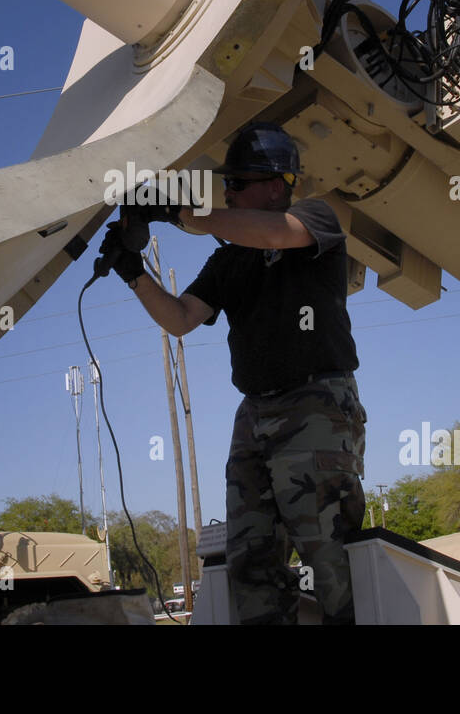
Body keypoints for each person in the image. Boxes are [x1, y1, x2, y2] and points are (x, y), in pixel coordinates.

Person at [101, 122, 365, 624]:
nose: (228, 192)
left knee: (327, 552)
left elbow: (271, 232)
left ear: (276, 183)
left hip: (316, 404)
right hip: (255, 415)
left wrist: (180, 212)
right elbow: (180, 319)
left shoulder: (314, 218)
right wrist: (133, 272)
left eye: (237, 183)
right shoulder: (229, 260)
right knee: (252, 561)